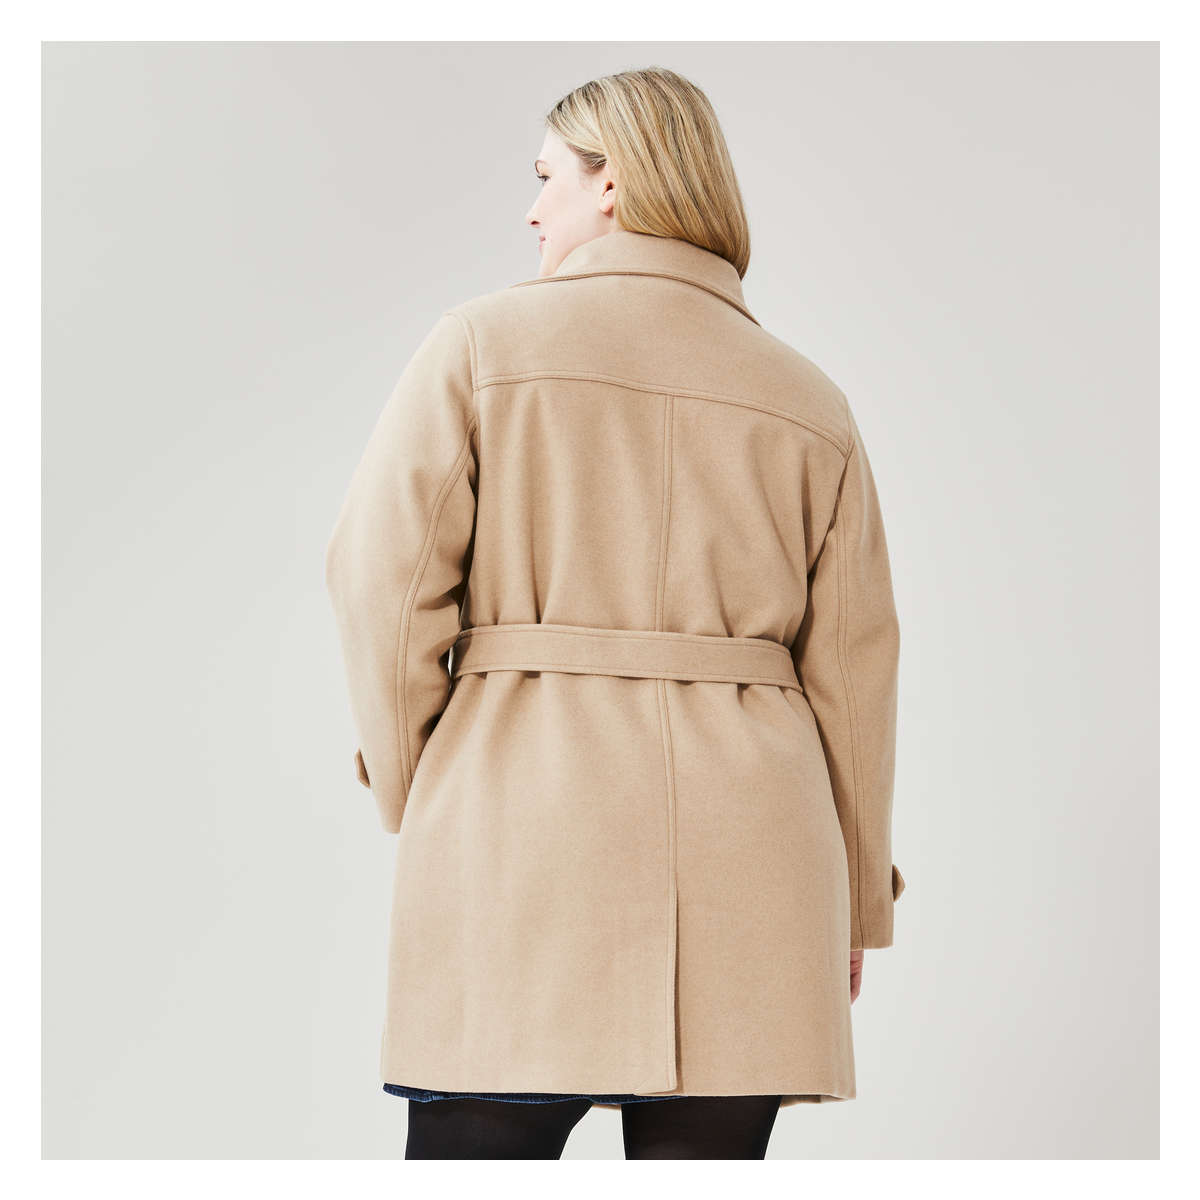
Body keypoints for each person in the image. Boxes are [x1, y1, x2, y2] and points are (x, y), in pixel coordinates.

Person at [324, 65, 905, 1160]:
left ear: (614, 183)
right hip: (759, 856)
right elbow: (855, 670)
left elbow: (378, 577)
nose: (531, 209)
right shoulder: (811, 401)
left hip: (522, 827)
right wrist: (857, 900)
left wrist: (419, 778)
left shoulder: (484, 345)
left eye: (548, 177)